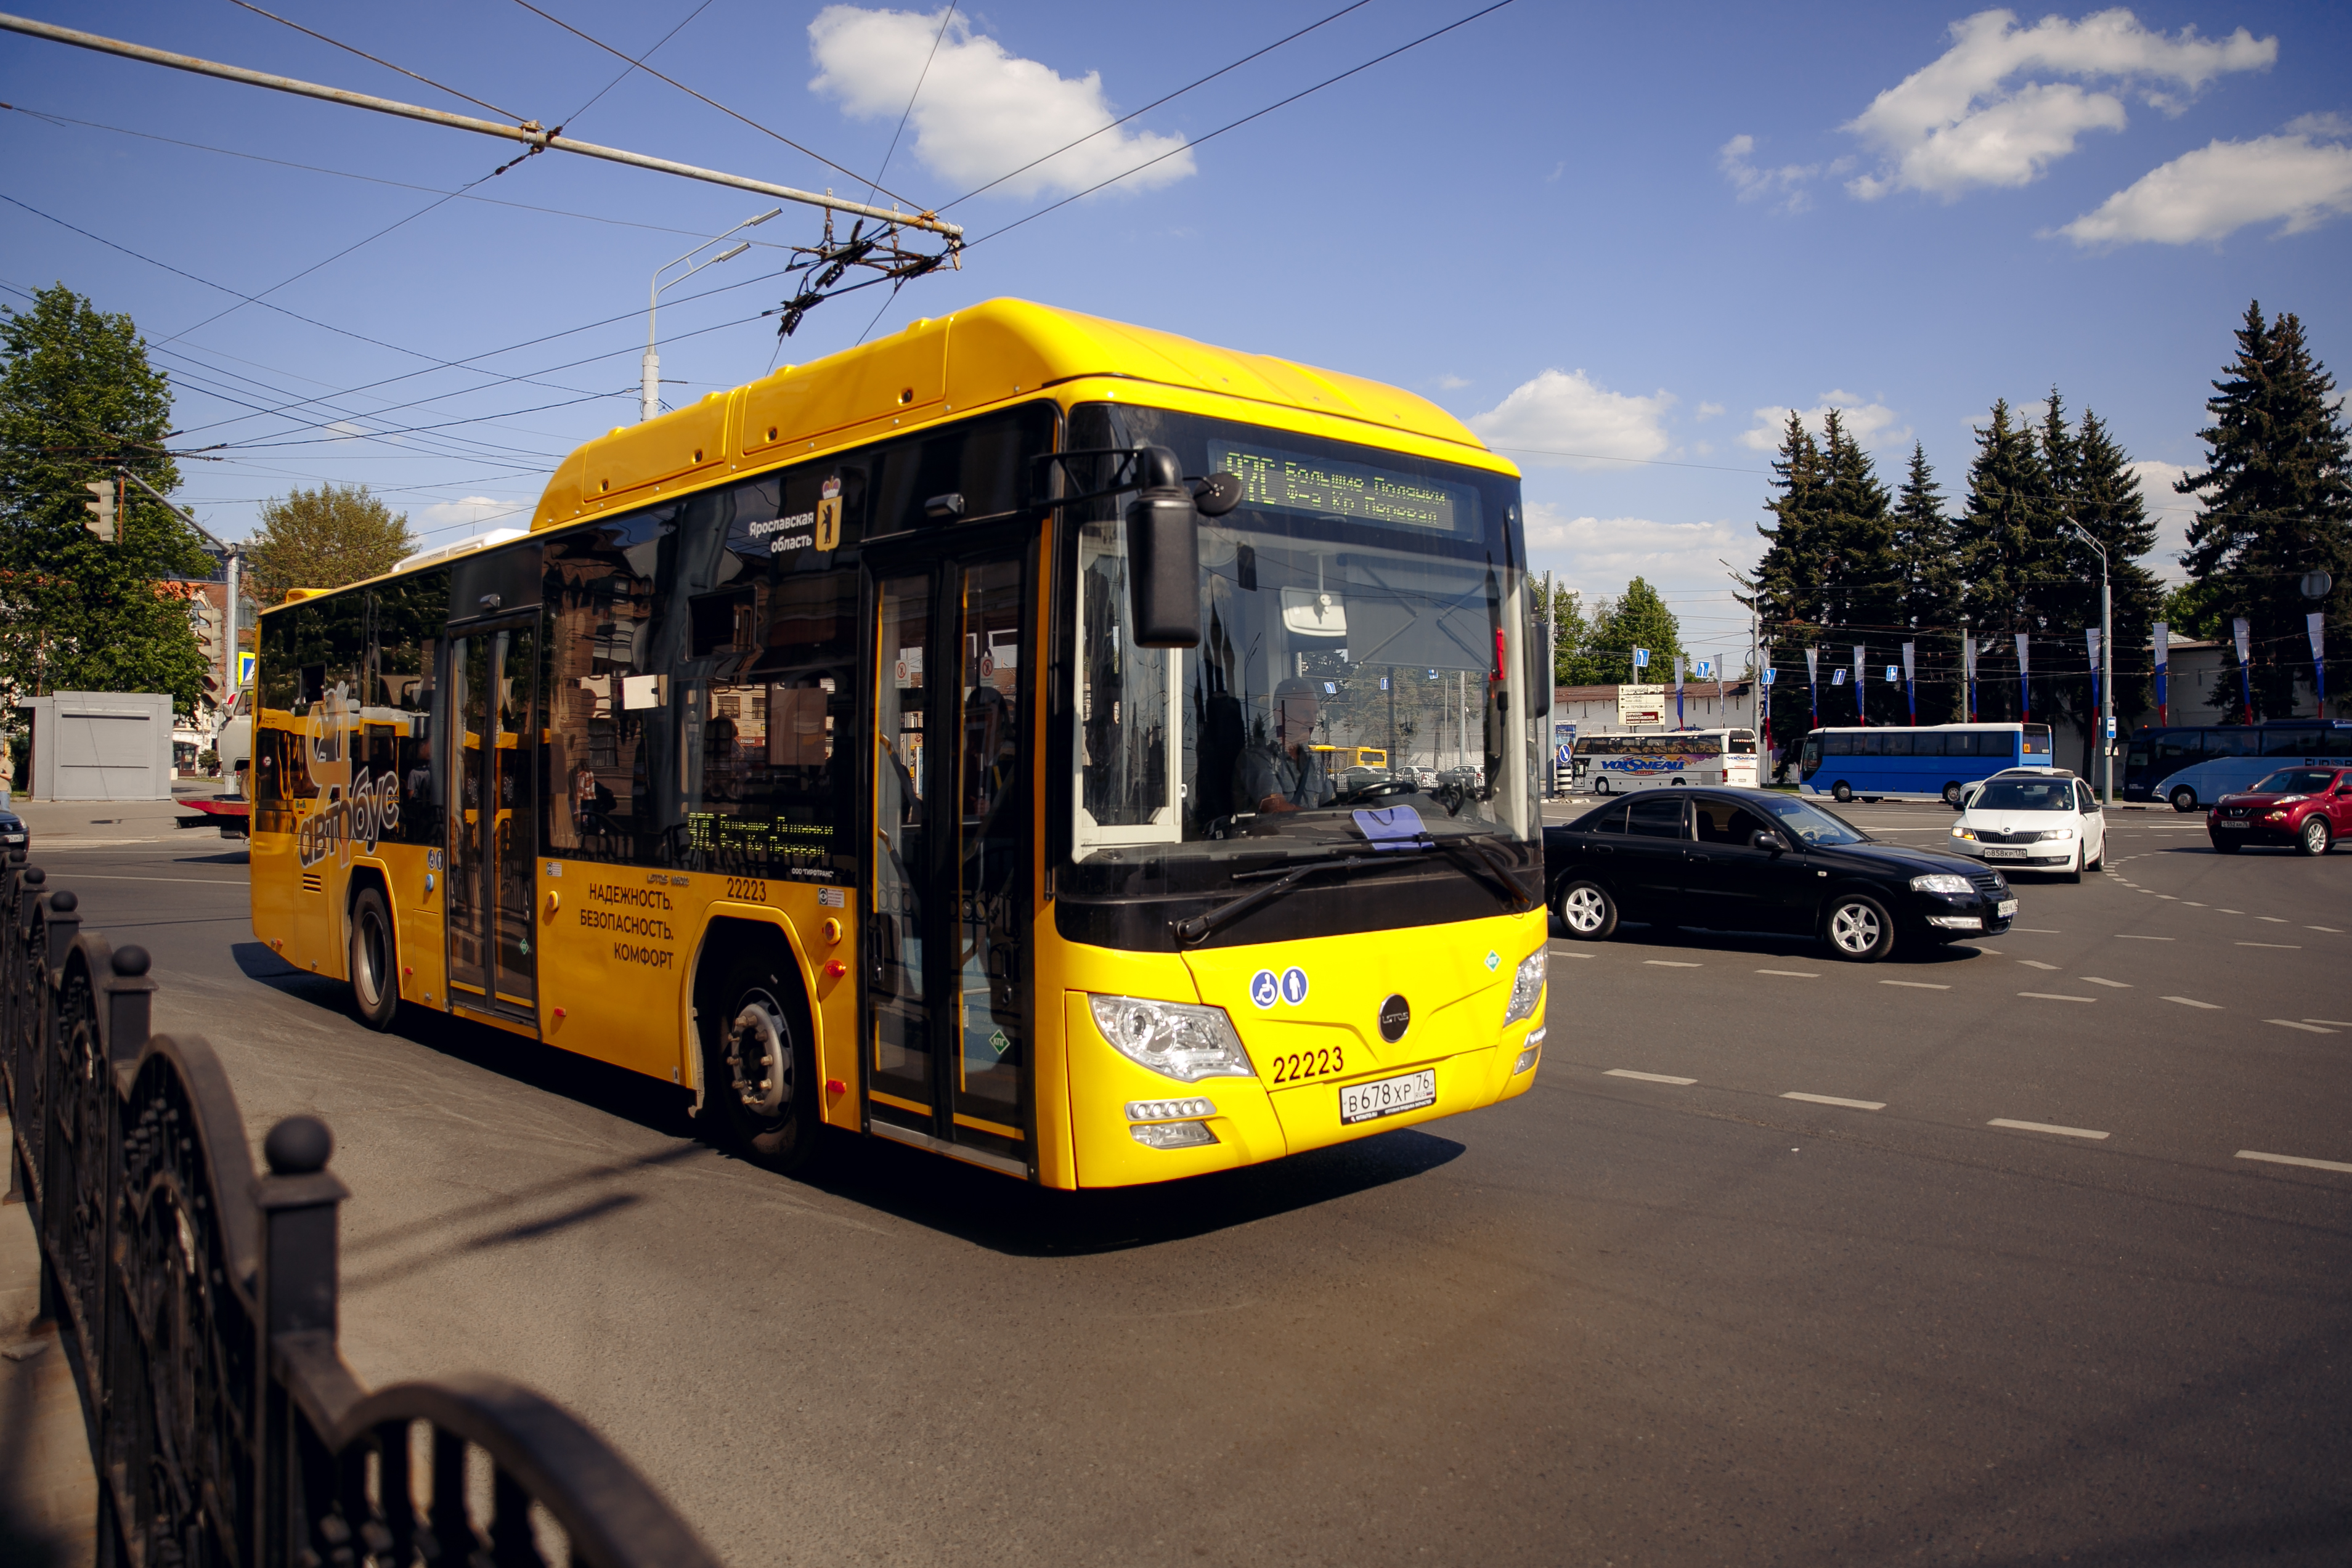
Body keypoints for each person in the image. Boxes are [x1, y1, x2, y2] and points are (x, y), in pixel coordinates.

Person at [1232, 676, 1333, 813]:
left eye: (1315, 713)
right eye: (1305, 713)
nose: (1312, 721)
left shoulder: (1313, 760)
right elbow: (1277, 809)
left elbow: (1331, 808)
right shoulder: (1257, 756)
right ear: (1280, 714)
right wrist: (1320, 817)